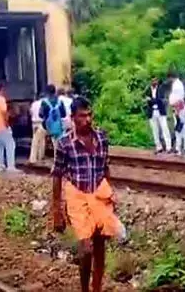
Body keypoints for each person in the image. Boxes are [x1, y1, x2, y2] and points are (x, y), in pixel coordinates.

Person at [51, 96, 124, 292]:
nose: (88, 120)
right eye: (82, 116)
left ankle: (97, 288)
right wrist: (57, 211)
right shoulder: (64, 143)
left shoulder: (101, 138)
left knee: (100, 246)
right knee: (86, 250)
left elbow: (105, 168)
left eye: (90, 115)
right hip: (78, 197)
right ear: (73, 117)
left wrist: (111, 194)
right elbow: (57, 176)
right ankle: (85, 288)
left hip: (99, 195)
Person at [40, 85, 68, 158]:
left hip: (49, 126)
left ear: (47, 92)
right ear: (55, 91)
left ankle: (57, 159)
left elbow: (41, 114)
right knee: (60, 142)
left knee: (53, 141)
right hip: (59, 126)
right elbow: (64, 114)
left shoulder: (44, 102)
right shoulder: (60, 101)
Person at [145, 78, 171, 154]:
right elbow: (146, 99)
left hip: (160, 111)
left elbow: (160, 100)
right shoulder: (148, 90)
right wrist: (151, 100)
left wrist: (151, 100)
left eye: (155, 80)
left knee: (164, 129)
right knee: (155, 130)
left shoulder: (161, 89)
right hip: (152, 112)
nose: (154, 82)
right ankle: (158, 147)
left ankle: (168, 146)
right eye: (153, 80)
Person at [167, 72, 185, 155]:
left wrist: (177, 110)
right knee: (178, 127)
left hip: (179, 107)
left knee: (181, 126)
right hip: (175, 107)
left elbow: (180, 98)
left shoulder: (178, 85)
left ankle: (184, 146)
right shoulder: (175, 84)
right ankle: (179, 146)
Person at [28, 94, 46, 164]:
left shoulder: (34, 104)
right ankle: (40, 157)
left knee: (35, 140)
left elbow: (30, 112)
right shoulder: (44, 103)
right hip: (41, 123)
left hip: (34, 123)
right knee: (42, 140)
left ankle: (33, 158)